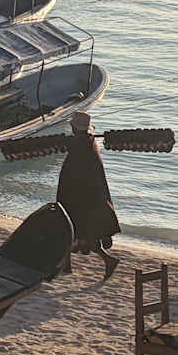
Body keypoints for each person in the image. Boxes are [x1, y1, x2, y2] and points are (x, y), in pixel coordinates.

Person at [55, 114, 120, 279]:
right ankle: (67, 265)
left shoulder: (81, 145)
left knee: (72, 229)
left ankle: (108, 260)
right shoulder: (89, 143)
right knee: (76, 231)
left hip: (79, 196)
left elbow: (76, 172)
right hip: (86, 194)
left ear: (75, 128)